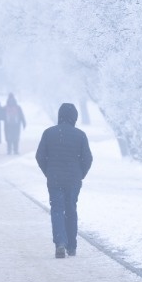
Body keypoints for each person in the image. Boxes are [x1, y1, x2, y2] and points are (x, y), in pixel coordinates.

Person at [35, 102, 92, 259]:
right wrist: (80, 174)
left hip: (54, 179)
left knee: (57, 210)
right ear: (74, 117)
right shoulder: (80, 135)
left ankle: (60, 243)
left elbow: (40, 156)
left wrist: (48, 171)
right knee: (71, 210)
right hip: (73, 180)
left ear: (60, 115)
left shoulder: (49, 133)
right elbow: (88, 159)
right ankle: (71, 246)